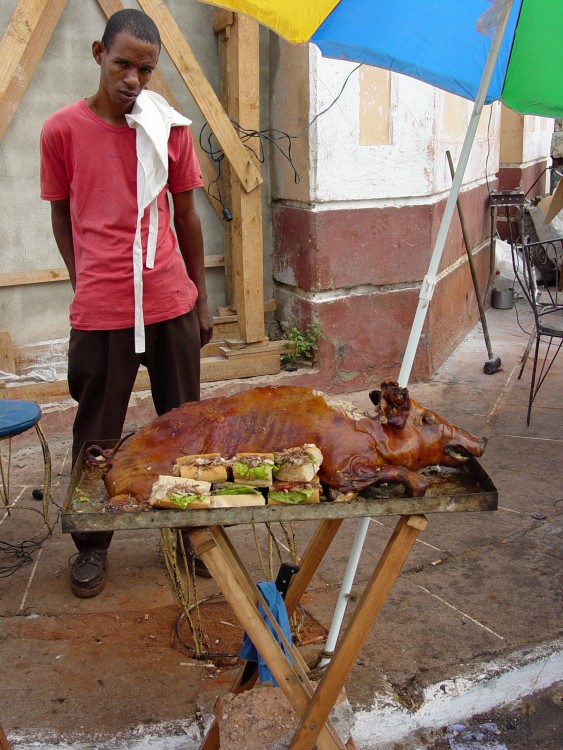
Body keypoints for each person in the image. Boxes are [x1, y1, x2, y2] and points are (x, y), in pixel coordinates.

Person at [40, 9, 213, 597]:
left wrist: (201, 300)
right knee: (96, 437)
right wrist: (83, 280)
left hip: (169, 302)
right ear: (98, 54)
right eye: (122, 64)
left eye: (145, 68)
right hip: (104, 311)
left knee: (184, 428)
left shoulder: (171, 130)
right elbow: (63, 218)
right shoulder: (62, 130)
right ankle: (91, 543)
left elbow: (187, 217)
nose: (133, 79)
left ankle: (194, 537)